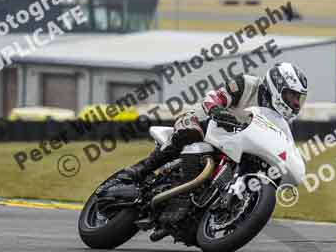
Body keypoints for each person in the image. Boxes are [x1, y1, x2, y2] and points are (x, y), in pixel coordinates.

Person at [124, 62, 308, 182]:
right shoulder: (247, 84)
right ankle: (138, 171)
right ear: (277, 86)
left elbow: (283, 145)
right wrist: (217, 110)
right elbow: (213, 97)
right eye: (292, 95)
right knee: (191, 131)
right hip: (206, 122)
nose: (295, 103)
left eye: (299, 98)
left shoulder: (280, 121)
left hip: (235, 144)